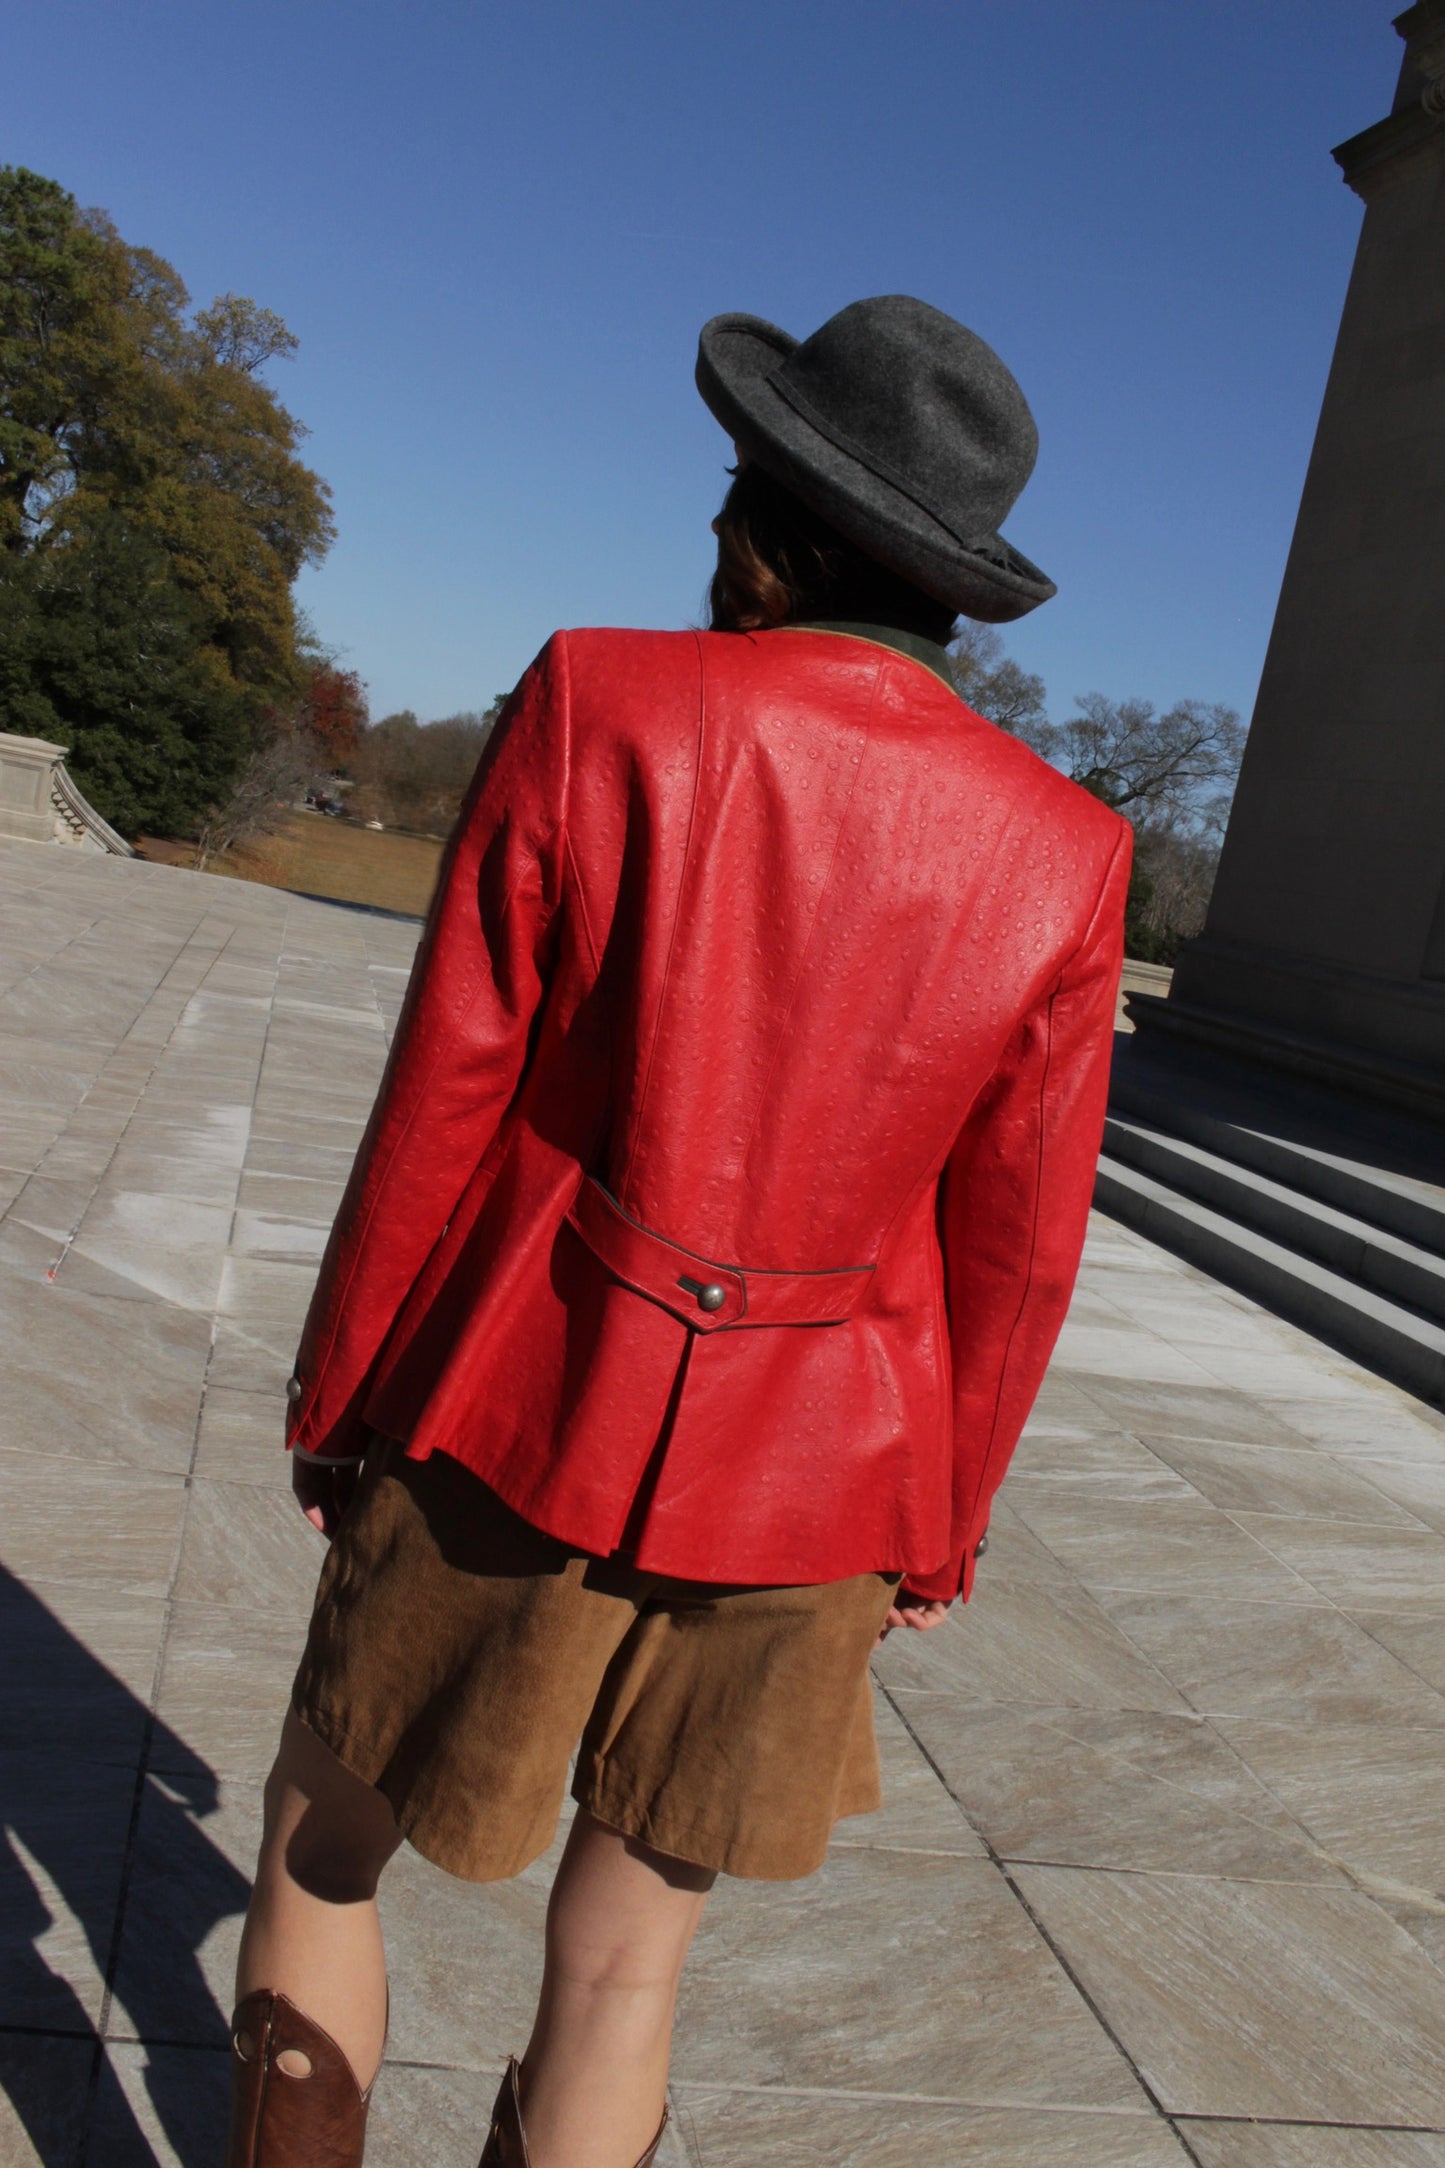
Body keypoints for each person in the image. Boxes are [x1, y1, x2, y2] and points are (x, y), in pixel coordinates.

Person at [223, 294, 1130, 2167]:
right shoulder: (1063, 849)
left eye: (734, 493)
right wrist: (936, 1529)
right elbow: (1018, 1248)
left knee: (323, 1848)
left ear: (780, 531)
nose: (708, 535)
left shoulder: (602, 699)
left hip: (510, 1414)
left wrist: (344, 1387)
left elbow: (444, 1093)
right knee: (626, 1979)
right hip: (816, 1499)